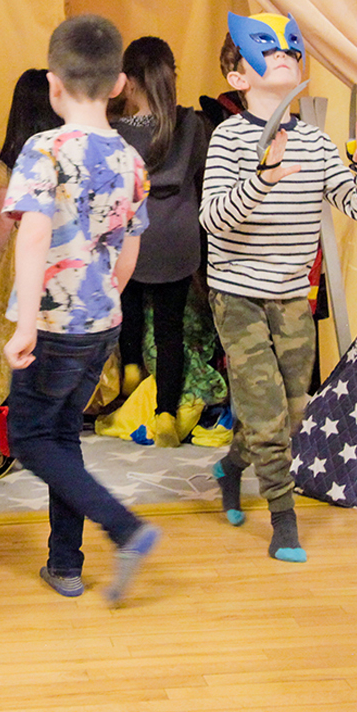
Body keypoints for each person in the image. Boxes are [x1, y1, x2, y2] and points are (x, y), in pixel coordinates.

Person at [199, 12, 357, 563]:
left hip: (291, 295)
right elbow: (213, 220)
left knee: (295, 409)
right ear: (238, 77)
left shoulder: (318, 143)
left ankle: (231, 466)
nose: (283, 55)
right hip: (236, 294)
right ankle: (284, 520)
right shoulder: (228, 138)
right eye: (268, 50)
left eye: (290, 50)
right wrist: (262, 178)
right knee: (263, 409)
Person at [2, 15, 160, 605]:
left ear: (53, 84)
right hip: (101, 321)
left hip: (51, 322)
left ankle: (125, 528)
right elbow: (131, 246)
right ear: (119, 84)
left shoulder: (43, 149)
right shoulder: (131, 159)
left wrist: (24, 324)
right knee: (62, 436)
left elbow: (33, 236)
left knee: (29, 438)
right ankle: (64, 563)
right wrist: (107, 294)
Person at [111, 36, 208, 446]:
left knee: (128, 309)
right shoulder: (193, 125)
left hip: (133, 239)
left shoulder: (116, 131)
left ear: (129, 82)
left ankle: (131, 366)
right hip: (178, 239)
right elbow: (201, 177)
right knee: (171, 332)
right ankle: (166, 413)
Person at [0, 69, 60, 408]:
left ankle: (14, 394)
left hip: (21, 252)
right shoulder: (63, 153)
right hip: (60, 249)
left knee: (12, 325)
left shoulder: (12, 161)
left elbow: (5, 217)